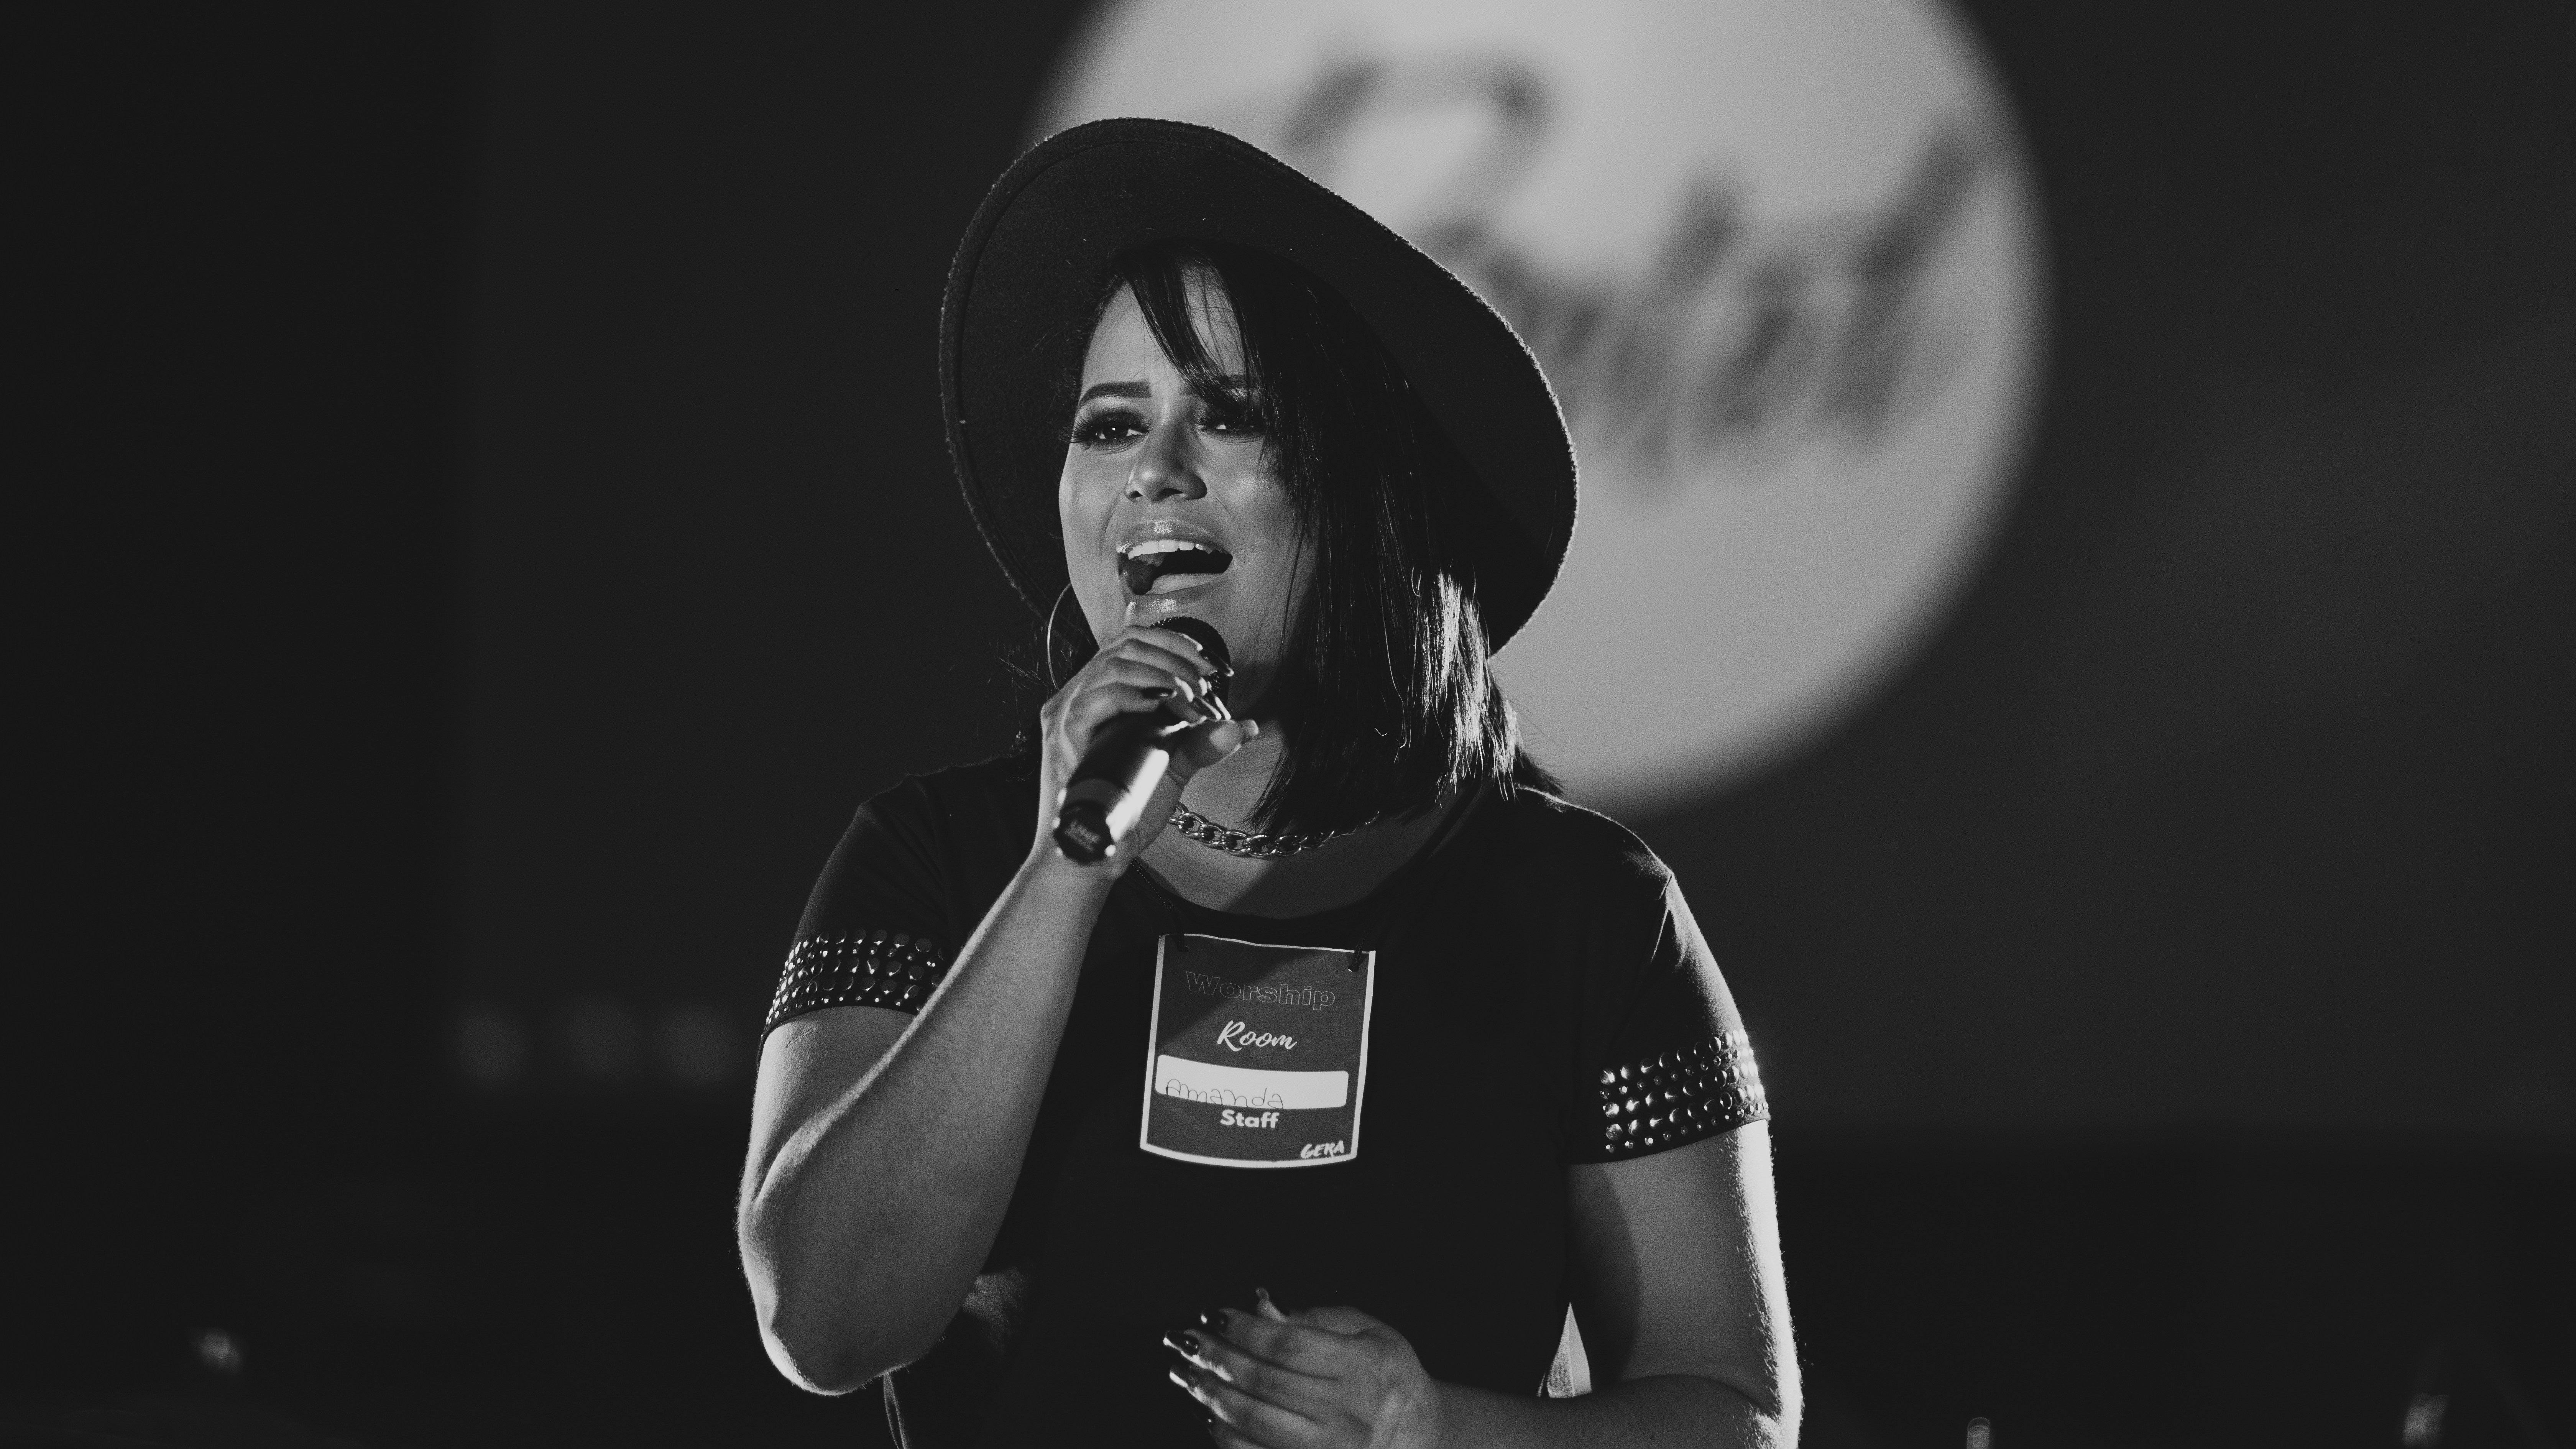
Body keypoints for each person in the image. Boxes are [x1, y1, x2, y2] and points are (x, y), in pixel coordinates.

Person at [736, 119, 1798, 1448]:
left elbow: (1740, 1416)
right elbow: (825, 1324)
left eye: (1232, 415)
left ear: (1367, 490)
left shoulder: (1584, 906)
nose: (1155, 471)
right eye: (1112, 423)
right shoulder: (934, 856)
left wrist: (1436, 1427)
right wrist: (1068, 867)